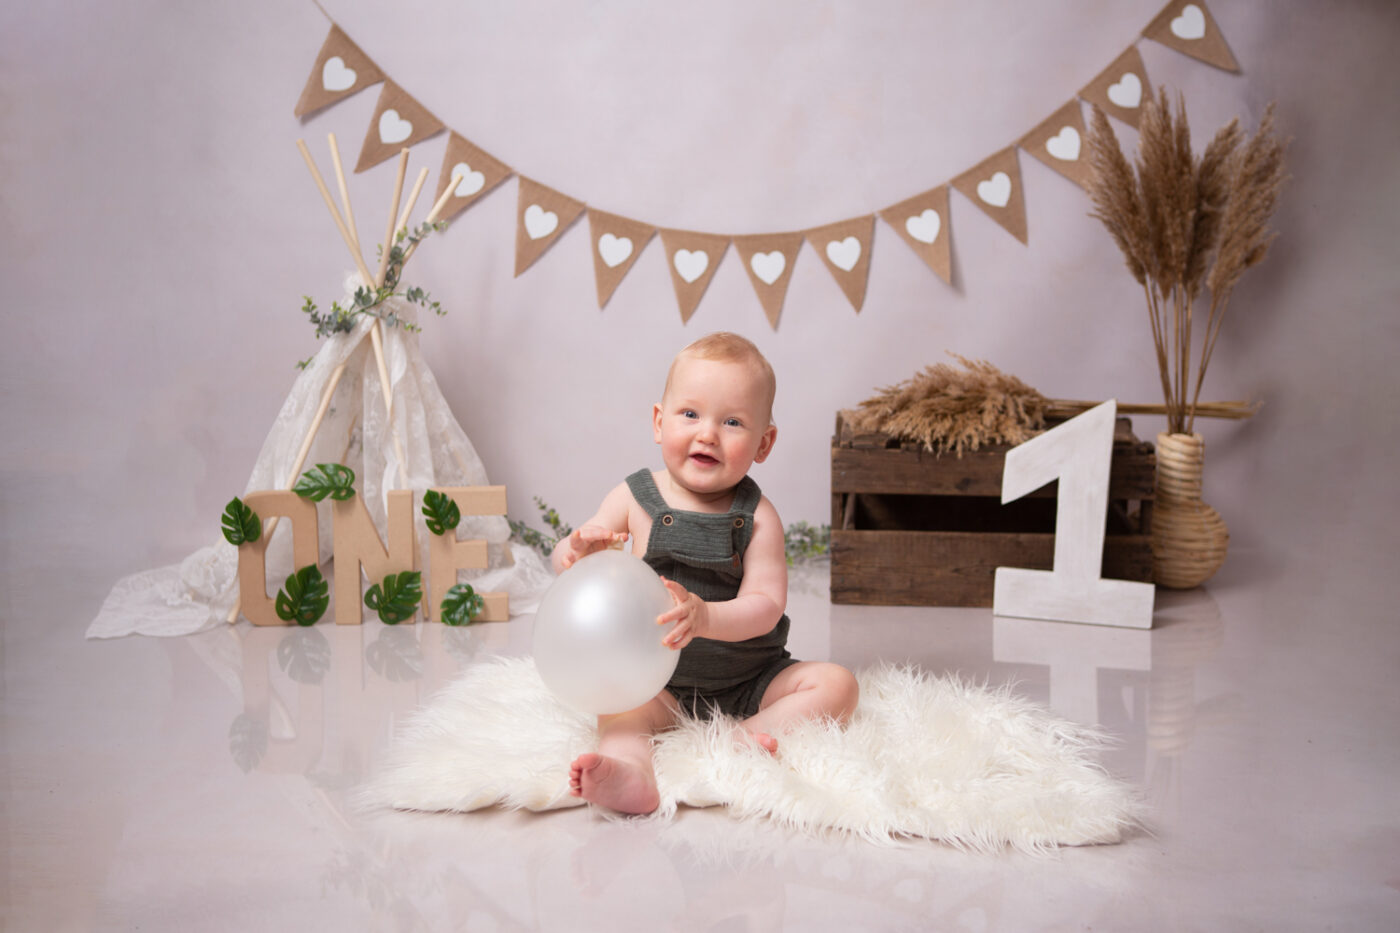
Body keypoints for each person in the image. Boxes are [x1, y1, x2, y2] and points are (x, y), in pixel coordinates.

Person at [550, 332, 860, 815]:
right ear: (659, 422)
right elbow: (567, 571)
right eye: (690, 414)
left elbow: (766, 605)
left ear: (764, 443)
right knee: (617, 707)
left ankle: (741, 739)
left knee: (838, 684)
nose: (708, 434)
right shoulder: (633, 497)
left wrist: (707, 617)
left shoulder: (758, 517)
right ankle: (630, 772)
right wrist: (576, 552)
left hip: (751, 680)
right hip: (658, 682)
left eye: (732, 422)